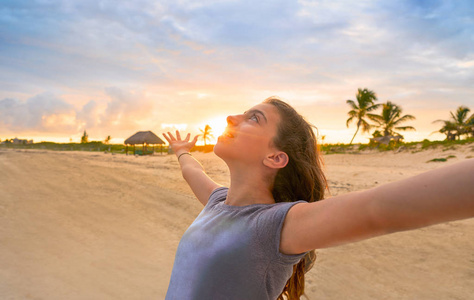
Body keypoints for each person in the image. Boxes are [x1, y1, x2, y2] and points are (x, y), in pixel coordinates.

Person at [162, 96, 474, 300]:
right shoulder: (218, 202)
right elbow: (192, 171)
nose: (231, 116)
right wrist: (183, 153)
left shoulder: (276, 225)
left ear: (275, 157)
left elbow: (377, 211)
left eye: (253, 118)